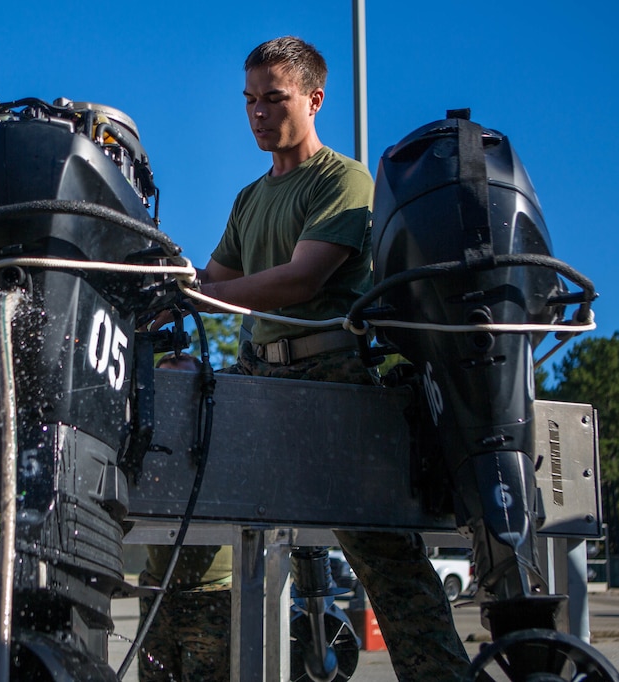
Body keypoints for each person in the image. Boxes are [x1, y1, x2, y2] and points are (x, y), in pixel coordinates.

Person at [182, 37, 471, 679]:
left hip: (329, 380)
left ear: (314, 99)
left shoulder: (344, 179)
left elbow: (299, 281)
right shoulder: (249, 199)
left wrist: (197, 294)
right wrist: (162, 281)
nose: (258, 112)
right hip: (259, 375)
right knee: (193, 536)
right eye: (249, 100)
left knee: (387, 565)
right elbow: (212, 281)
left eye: (274, 98)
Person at [137, 352, 232, 682]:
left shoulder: (218, 440)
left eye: (183, 385)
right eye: (166, 385)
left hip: (211, 594)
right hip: (157, 592)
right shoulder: (147, 444)